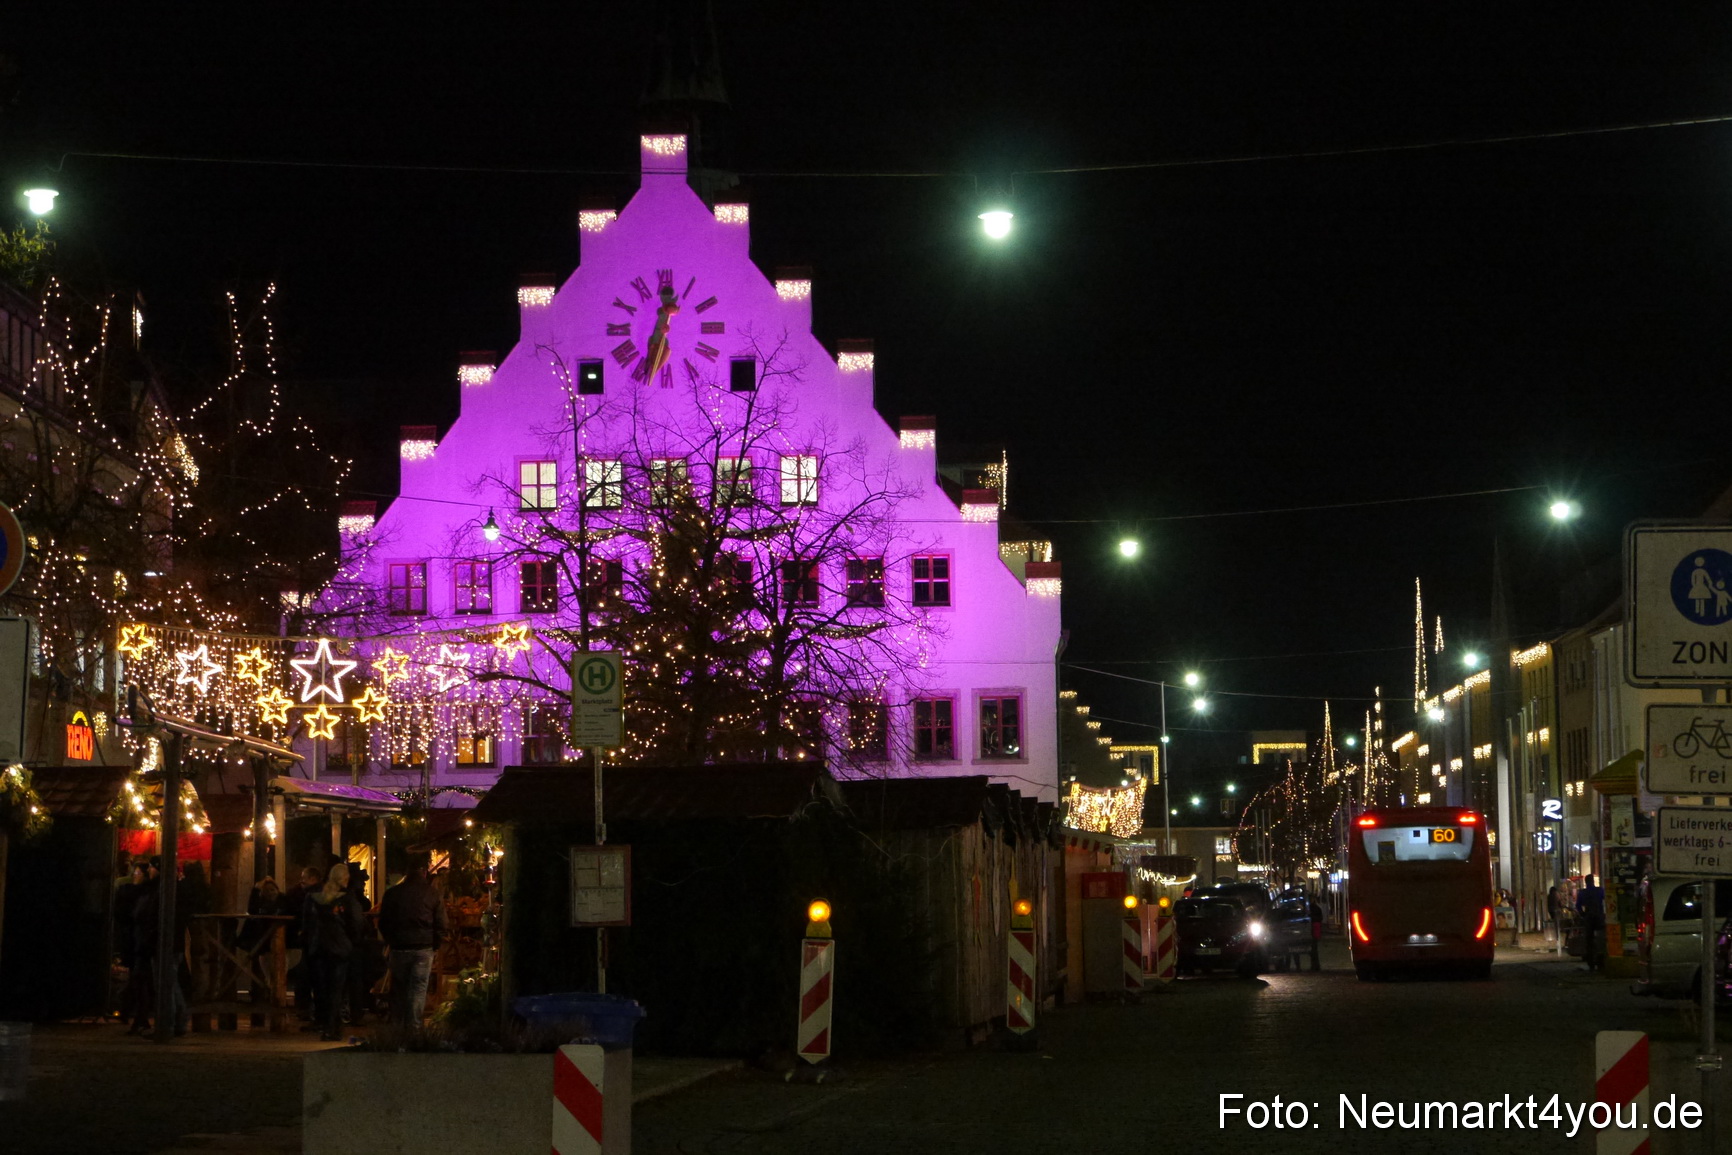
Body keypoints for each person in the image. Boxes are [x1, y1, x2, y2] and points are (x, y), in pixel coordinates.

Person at [378, 858, 448, 1029]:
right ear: (424, 872)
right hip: (423, 947)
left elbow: (383, 922)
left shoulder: (393, 893)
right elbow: (442, 923)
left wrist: (391, 940)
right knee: (418, 987)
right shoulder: (432, 893)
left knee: (399, 987)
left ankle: (398, 1025)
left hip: (400, 947)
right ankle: (414, 1027)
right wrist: (436, 944)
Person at [302, 862, 366, 1041]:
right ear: (345, 879)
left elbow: (306, 924)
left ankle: (324, 1024)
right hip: (339, 949)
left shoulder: (314, 898)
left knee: (322, 988)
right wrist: (352, 941)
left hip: (318, 948)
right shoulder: (347, 898)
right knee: (337, 989)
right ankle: (333, 1027)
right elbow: (356, 924)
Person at [129, 858, 190, 1036]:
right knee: (172, 983)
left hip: (162, 942)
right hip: (171, 942)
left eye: (151, 867)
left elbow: (149, 915)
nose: (148, 871)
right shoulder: (173, 888)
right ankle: (179, 1021)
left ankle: (167, 1024)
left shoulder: (161, 890)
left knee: (165, 984)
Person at [284, 866, 323, 1021]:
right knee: (315, 980)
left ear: (313, 879)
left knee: (306, 978)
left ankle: (306, 1011)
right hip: (315, 943)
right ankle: (315, 1014)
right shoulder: (320, 894)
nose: (302, 880)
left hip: (309, 943)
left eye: (304, 877)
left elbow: (307, 920)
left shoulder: (308, 895)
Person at [1576, 874, 1607, 972]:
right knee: (1601, 940)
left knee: (1589, 941)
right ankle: (1601, 962)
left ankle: (1591, 963)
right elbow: (1606, 899)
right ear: (1593, 881)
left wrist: (1583, 914)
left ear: (1585, 882)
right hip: (1599, 917)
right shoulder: (1599, 890)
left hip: (1588, 918)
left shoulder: (1582, 892)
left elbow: (1578, 906)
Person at [1307, 892, 1324, 972]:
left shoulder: (1314, 908)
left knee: (1314, 949)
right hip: (1313, 930)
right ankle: (1315, 965)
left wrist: (1311, 917)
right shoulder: (1315, 907)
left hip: (1313, 929)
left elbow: (1319, 918)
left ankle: (1315, 965)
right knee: (1313, 949)